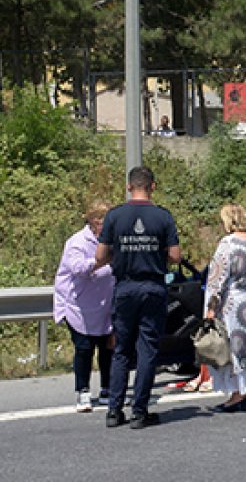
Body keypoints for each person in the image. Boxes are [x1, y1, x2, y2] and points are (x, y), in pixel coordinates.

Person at [95, 166, 181, 429]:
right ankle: (140, 412)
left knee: (121, 349)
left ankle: (113, 411)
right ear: (152, 187)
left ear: (129, 186)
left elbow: (100, 256)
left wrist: (119, 255)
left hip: (125, 288)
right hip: (153, 288)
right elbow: (175, 257)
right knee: (147, 350)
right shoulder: (163, 217)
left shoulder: (114, 216)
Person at [204, 203, 246, 413]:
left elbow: (218, 278)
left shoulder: (228, 243)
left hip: (232, 304)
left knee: (232, 349)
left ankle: (237, 396)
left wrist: (211, 309)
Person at [53, 199, 115, 412]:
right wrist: (103, 261)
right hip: (79, 307)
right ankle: (83, 391)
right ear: (93, 222)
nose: (105, 227)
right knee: (84, 348)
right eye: (101, 222)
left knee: (108, 348)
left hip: (106, 304)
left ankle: (107, 389)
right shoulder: (78, 242)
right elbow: (78, 268)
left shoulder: (112, 240)